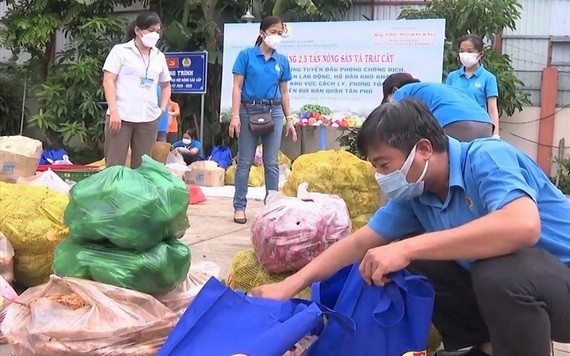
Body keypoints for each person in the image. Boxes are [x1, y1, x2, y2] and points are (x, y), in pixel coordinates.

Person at [252, 98, 570, 356]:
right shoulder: (419, 193)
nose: (381, 176)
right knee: (420, 255)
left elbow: (522, 226)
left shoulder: (488, 158)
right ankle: (486, 347)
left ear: (424, 149)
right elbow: (359, 243)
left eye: (384, 165)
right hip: (530, 292)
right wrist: (290, 285)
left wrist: (405, 248)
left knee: (493, 269)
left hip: (561, 285)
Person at [228, 16, 297, 225]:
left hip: (274, 111)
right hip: (249, 109)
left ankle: (272, 207)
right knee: (245, 162)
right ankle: (239, 207)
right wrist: (235, 116)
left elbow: (285, 92)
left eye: (280, 33)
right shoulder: (246, 56)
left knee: (272, 162)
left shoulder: (282, 61)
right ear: (262, 32)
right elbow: (237, 87)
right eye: (273, 32)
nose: (277, 36)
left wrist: (290, 119)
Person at [102, 11, 171, 169]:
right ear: (138, 30)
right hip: (121, 116)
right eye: (150, 30)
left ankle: (139, 194)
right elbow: (108, 81)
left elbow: (166, 84)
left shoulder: (159, 56)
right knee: (115, 165)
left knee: (143, 167)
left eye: (157, 31)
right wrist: (114, 111)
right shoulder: (120, 51)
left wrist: (161, 109)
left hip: (148, 118)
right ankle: (114, 193)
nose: (154, 34)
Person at [382, 73, 493, 142]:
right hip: (486, 124)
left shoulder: (401, 92)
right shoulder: (432, 87)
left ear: (393, 90)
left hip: (456, 123)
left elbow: (395, 123)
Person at [446, 34, 500, 137]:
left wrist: (495, 134)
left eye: (470, 51)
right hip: (454, 127)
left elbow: (492, 109)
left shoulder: (488, 78)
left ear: (480, 54)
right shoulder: (452, 77)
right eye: (462, 51)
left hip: (478, 128)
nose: (465, 54)